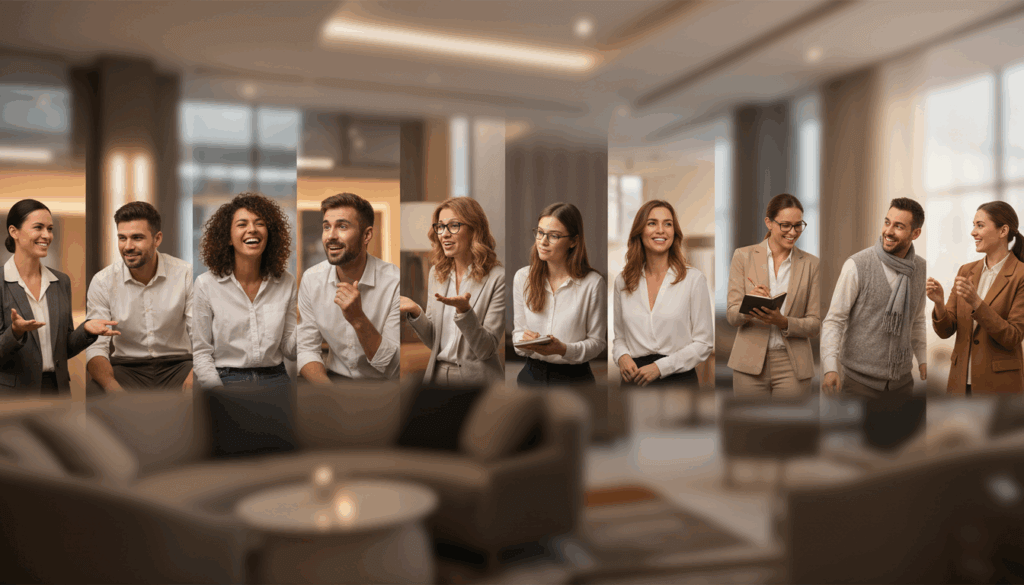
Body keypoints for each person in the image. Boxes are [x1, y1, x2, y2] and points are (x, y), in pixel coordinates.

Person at [0, 199, 118, 394]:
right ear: (14, 232)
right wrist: (15, 332)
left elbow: (64, 349)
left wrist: (86, 330)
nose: (47, 235)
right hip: (14, 396)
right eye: (38, 227)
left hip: (56, 390)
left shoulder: (60, 282)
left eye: (50, 228)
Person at [822, 197, 927, 397]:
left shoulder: (921, 269)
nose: (888, 231)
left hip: (903, 383)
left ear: (915, 233)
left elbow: (918, 320)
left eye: (898, 226)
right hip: (859, 384)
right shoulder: (856, 265)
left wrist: (922, 360)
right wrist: (830, 367)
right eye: (887, 222)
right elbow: (834, 320)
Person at [85, 202, 194, 393]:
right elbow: (96, 348)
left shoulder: (185, 274)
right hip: (127, 367)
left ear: (157, 238)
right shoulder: (102, 281)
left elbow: (203, 338)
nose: (128, 246)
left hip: (177, 365)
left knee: (207, 381)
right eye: (122, 238)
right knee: (96, 389)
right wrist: (112, 387)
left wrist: (195, 376)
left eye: (137, 238)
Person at [192, 193, 296, 391]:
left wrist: (310, 319)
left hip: (277, 379)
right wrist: (219, 395)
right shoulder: (206, 284)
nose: (252, 230)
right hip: (227, 380)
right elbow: (201, 353)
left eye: (260, 223)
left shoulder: (286, 282)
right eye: (242, 224)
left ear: (269, 234)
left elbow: (290, 350)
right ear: (228, 238)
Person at [399, 197, 504, 386]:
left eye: (454, 226)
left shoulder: (498, 278)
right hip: (437, 377)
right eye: (440, 227)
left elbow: (486, 349)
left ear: (474, 230)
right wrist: (415, 311)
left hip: (478, 382)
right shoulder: (437, 273)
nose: (444, 234)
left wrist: (465, 312)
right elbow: (434, 340)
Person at [297, 193, 400, 383]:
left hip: (382, 386)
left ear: (367, 235)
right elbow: (306, 349)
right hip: (332, 382)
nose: (331, 236)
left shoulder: (394, 282)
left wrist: (358, 319)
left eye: (342, 226)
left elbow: (394, 367)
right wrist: (330, 394)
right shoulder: (311, 280)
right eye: (327, 227)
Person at [727, 194, 820, 396]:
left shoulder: (811, 264)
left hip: (793, 365)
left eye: (798, 226)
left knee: (790, 426)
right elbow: (732, 316)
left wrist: (783, 322)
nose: (792, 232)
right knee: (750, 426)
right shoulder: (743, 256)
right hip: (748, 364)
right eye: (785, 225)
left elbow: (814, 324)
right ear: (769, 222)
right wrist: (749, 305)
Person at [613, 200, 712, 388]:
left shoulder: (693, 279)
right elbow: (620, 338)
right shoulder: (623, 281)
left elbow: (704, 343)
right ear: (639, 231)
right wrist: (622, 356)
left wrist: (660, 367)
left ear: (674, 233)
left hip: (678, 380)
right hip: (634, 380)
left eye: (668, 224)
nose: (661, 230)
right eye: (652, 223)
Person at [929, 201, 1024, 395]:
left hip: (1000, 386)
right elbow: (946, 330)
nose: (973, 232)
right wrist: (939, 303)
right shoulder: (966, 271)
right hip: (959, 383)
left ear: (1003, 230)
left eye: (980, 225)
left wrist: (976, 303)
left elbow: (1012, 336)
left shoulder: (1020, 274)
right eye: (973, 225)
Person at [513, 202, 606, 386]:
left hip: (575, 380)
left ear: (573, 241)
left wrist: (564, 349)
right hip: (530, 377)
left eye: (554, 236)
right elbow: (518, 334)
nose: (543, 241)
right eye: (540, 233)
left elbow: (597, 343)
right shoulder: (522, 277)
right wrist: (526, 343)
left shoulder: (593, 283)